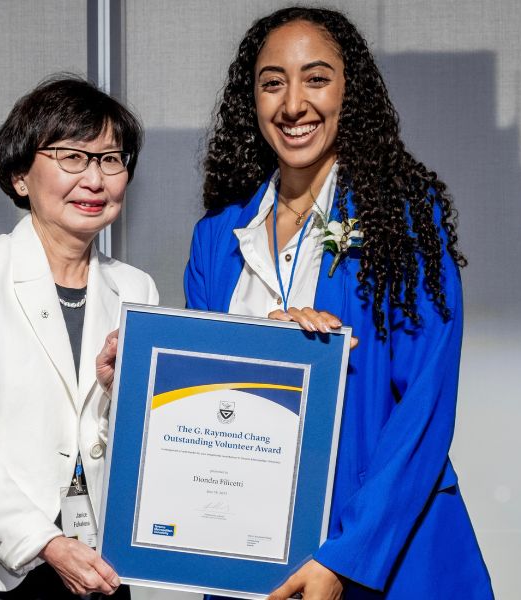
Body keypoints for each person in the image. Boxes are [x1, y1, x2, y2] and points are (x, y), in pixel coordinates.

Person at [182, 7, 494, 600]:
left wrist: (343, 559)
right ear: (252, 100)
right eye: (273, 82)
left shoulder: (403, 220)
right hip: (252, 559)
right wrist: (264, 343)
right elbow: (208, 402)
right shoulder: (217, 240)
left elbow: (423, 408)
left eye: (316, 78)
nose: (293, 103)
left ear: (350, 93)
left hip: (387, 556)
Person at [0, 75, 158, 599]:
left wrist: (120, 391)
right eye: (72, 157)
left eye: (111, 159)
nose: (95, 179)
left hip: (94, 566)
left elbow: (137, 444)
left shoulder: (136, 287)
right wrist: (44, 542)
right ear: (21, 175)